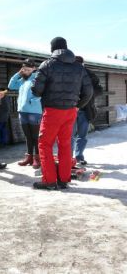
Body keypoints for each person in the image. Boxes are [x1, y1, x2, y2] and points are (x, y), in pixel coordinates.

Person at [31, 37, 93, 190]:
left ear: (53, 49)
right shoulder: (79, 67)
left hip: (52, 110)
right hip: (70, 111)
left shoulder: (47, 64)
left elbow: (36, 91)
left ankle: (49, 181)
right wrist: (78, 106)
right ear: (66, 48)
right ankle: (64, 179)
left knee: (45, 145)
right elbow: (89, 91)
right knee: (65, 145)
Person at [8, 59, 42, 168]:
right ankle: (29, 157)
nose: (26, 71)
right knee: (27, 136)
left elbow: (42, 92)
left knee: (35, 136)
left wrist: (33, 101)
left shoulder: (37, 78)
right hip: (22, 111)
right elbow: (11, 86)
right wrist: (18, 73)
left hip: (34, 112)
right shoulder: (22, 79)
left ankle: (37, 158)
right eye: (24, 69)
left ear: (34, 68)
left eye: (28, 69)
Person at [72, 56, 103, 165]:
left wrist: (89, 95)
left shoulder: (90, 74)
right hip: (70, 110)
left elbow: (99, 90)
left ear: (83, 64)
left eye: (79, 64)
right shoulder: (68, 73)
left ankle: (79, 156)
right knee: (69, 135)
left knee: (82, 135)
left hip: (85, 110)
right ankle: (68, 158)